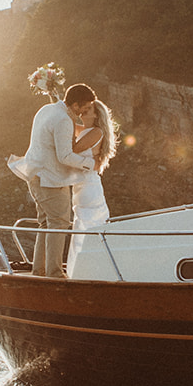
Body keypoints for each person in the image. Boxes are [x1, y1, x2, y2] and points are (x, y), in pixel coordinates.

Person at [8, 83, 96, 277]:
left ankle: (39, 271)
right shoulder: (63, 120)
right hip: (50, 180)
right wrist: (90, 164)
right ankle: (54, 273)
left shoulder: (46, 109)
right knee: (59, 223)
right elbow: (64, 156)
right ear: (75, 105)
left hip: (35, 175)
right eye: (85, 107)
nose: (85, 111)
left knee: (46, 224)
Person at [67, 99, 117, 271]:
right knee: (81, 224)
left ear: (96, 115)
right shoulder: (86, 130)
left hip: (88, 187)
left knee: (85, 224)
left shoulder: (96, 132)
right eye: (84, 107)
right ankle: (80, 269)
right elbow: (68, 124)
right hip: (81, 185)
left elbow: (73, 149)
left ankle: (86, 269)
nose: (84, 110)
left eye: (88, 109)